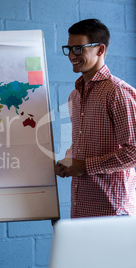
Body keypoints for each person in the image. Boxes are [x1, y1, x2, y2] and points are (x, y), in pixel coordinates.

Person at [55, 19, 136, 218]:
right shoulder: (74, 95)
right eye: (69, 49)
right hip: (81, 207)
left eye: (78, 48)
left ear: (100, 50)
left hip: (112, 210)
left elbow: (134, 152)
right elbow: (82, 143)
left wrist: (84, 167)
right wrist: (69, 160)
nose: (72, 55)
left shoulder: (118, 92)